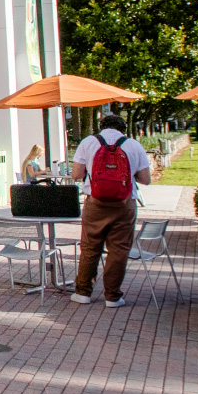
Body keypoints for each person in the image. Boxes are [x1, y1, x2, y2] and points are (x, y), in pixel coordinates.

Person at [70, 115, 151, 308]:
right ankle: (113, 296)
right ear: (123, 129)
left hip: (95, 202)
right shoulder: (133, 145)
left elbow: (76, 174)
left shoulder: (88, 142)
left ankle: (83, 292)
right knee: (119, 250)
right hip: (125, 203)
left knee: (90, 247)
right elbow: (146, 179)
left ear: (101, 127)